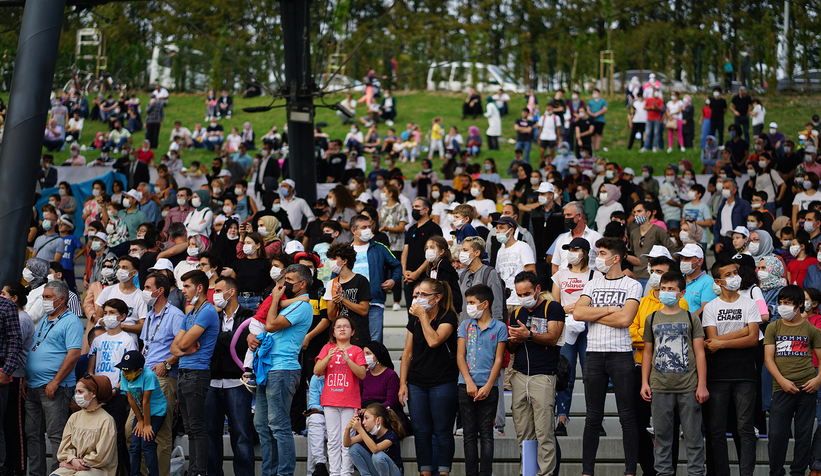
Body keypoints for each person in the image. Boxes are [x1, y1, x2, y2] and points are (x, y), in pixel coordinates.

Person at [574, 237, 642, 476]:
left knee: (627, 416)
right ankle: (586, 472)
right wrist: (608, 310)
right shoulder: (593, 282)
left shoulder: (632, 285)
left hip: (621, 355)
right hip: (593, 354)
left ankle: (630, 471)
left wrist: (593, 314)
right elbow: (578, 313)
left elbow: (626, 320)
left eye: (602, 253)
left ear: (615, 258)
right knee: (592, 417)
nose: (597, 258)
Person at [639, 272, 708, 476]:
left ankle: (696, 473)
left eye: (671, 289)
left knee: (694, 438)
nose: (666, 292)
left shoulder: (690, 318)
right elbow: (648, 352)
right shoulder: (652, 318)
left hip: (689, 387)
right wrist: (645, 382)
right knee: (662, 439)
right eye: (663, 288)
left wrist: (702, 385)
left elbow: (700, 352)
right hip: (660, 387)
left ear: (682, 293)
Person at [250, 264, 314, 476]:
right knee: (261, 424)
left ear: (302, 284)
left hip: (283, 369)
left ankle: (284, 473)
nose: (284, 283)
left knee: (278, 425)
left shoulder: (303, 306)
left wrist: (275, 298)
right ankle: (269, 472)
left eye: (289, 280)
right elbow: (264, 328)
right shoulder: (292, 303)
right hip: (268, 368)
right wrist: (252, 338)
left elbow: (270, 325)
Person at [701, 259, 759, 476]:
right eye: (729, 274)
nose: (735, 276)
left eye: (736, 272)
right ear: (718, 281)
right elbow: (710, 343)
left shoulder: (749, 304)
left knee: (744, 428)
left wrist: (723, 342)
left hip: (745, 373)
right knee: (716, 430)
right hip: (717, 374)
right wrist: (741, 332)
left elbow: (753, 339)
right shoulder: (711, 308)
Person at [398, 279, 458, 476]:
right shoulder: (414, 319)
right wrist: (402, 384)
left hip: (443, 381)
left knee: (442, 431)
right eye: (416, 295)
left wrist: (423, 316)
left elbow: (434, 341)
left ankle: (443, 472)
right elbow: (407, 353)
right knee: (421, 432)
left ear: (437, 298)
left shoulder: (447, 317)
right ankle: (424, 471)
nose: (418, 298)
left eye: (424, 295)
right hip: (417, 382)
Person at [507, 272, 564, 476]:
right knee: (524, 433)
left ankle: (546, 473)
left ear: (538, 289)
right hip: (520, 375)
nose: (524, 297)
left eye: (527, 293)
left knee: (544, 432)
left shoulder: (552, 307)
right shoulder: (516, 313)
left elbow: (553, 338)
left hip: (543, 375)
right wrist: (513, 340)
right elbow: (512, 349)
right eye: (519, 294)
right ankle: (528, 472)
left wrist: (528, 335)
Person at [25, 280, 83, 476]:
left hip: (55, 388)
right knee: (33, 435)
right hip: (33, 386)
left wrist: (56, 381)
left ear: (62, 299)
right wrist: (27, 377)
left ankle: (57, 474)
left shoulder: (72, 321)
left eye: (48, 297)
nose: (44, 301)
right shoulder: (44, 320)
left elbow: (74, 354)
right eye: (43, 297)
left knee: (57, 436)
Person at [764, 285, 821, 476]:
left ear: (798, 305)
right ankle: (776, 472)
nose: (782, 306)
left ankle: (798, 472)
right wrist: (781, 381)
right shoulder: (773, 327)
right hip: (781, 389)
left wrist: (818, 379)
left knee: (803, 436)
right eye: (780, 303)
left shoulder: (811, 330)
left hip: (807, 389)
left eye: (787, 303)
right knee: (776, 435)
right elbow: (768, 359)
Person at [170, 270, 220, 476]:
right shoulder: (190, 314)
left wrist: (183, 347)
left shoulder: (208, 311)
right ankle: (194, 470)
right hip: (184, 373)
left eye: (187, 286)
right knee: (190, 428)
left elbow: (181, 343)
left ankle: (198, 472)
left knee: (197, 427)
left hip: (197, 373)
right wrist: (185, 348)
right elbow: (174, 348)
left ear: (200, 288)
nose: (183, 291)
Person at [455, 284, 507, 476]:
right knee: (468, 434)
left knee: (486, 433)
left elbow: (499, 359)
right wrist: (468, 381)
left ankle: (485, 473)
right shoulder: (465, 325)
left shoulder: (500, 327)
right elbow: (460, 356)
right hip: (465, 385)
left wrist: (488, 385)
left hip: (489, 386)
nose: (468, 306)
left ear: (484, 304)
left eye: (471, 303)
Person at [206, 277, 254, 476]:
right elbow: (209, 347)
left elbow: (245, 346)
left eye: (218, 290)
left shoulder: (249, 316)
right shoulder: (211, 317)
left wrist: (223, 340)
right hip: (212, 383)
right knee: (210, 435)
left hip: (238, 383)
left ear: (231, 292)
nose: (215, 295)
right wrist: (233, 338)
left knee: (242, 435)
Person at [552, 237, 600, 436]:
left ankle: (596, 419)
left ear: (586, 253)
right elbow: (553, 304)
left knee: (591, 375)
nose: (571, 252)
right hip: (566, 326)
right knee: (565, 373)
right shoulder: (560, 274)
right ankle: (561, 418)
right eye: (569, 249)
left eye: (576, 249)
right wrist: (564, 308)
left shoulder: (595, 274)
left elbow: (599, 301)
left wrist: (582, 309)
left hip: (590, 326)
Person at [89, 298, 138, 474]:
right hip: (98, 395)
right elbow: (91, 369)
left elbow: (129, 372)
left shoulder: (128, 340)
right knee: (97, 436)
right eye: (106, 313)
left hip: (118, 395)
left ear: (122, 316)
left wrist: (116, 388)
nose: (107, 316)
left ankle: (119, 471)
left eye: (112, 313)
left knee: (116, 436)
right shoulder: (97, 341)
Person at [314, 316, 367, 476]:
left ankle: (346, 472)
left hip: (350, 402)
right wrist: (328, 358)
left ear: (353, 331)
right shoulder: (327, 348)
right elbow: (316, 371)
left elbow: (362, 374)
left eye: (346, 326)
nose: (342, 329)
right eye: (338, 327)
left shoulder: (357, 350)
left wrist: (348, 360)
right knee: (333, 439)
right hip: (330, 401)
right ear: (333, 332)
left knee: (347, 439)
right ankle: (334, 472)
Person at [349, 215, 401, 342]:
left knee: (375, 343)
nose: (368, 229)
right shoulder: (345, 250)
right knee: (351, 342)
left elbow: (397, 266)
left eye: (369, 226)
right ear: (353, 230)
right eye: (363, 227)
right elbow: (336, 275)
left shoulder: (380, 248)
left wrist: (393, 280)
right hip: (350, 304)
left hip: (375, 302)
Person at [51, 374, 117, 476]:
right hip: (72, 464)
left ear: (93, 393)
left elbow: (102, 456)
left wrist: (76, 465)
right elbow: (65, 447)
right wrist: (72, 460)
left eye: (80, 392)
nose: (77, 395)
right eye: (76, 392)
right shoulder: (74, 417)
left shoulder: (106, 420)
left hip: (96, 468)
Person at [118, 351, 167, 476]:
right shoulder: (124, 375)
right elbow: (130, 399)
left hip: (156, 412)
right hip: (141, 412)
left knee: (147, 443)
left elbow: (146, 402)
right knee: (134, 445)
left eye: (128, 371)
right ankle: (134, 474)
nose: (124, 373)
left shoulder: (148, 375)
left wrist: (146, 424)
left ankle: (153, 474)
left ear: (139, 370)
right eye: (123, 370)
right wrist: (140, 421)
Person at [324, 243, 372, 347]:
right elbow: (331, 316)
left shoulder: (361, 281)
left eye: (334, 258)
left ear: (345, 261)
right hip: (340, 337)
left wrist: (343, 299)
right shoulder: (331, 284)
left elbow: (364, 310)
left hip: (359, 335)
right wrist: (335, 300)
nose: (331, 262)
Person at [343, 403, 405, 476]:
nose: (363, 422)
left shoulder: (391, 435)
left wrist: (360, 429)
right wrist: (348, 428)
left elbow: (375, 449)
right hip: (378, 472)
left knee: (378, 456)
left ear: (378, 420)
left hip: (394, 473)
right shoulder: (370, 433)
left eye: (366, 418)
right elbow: (347, 443)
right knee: (353, 448)